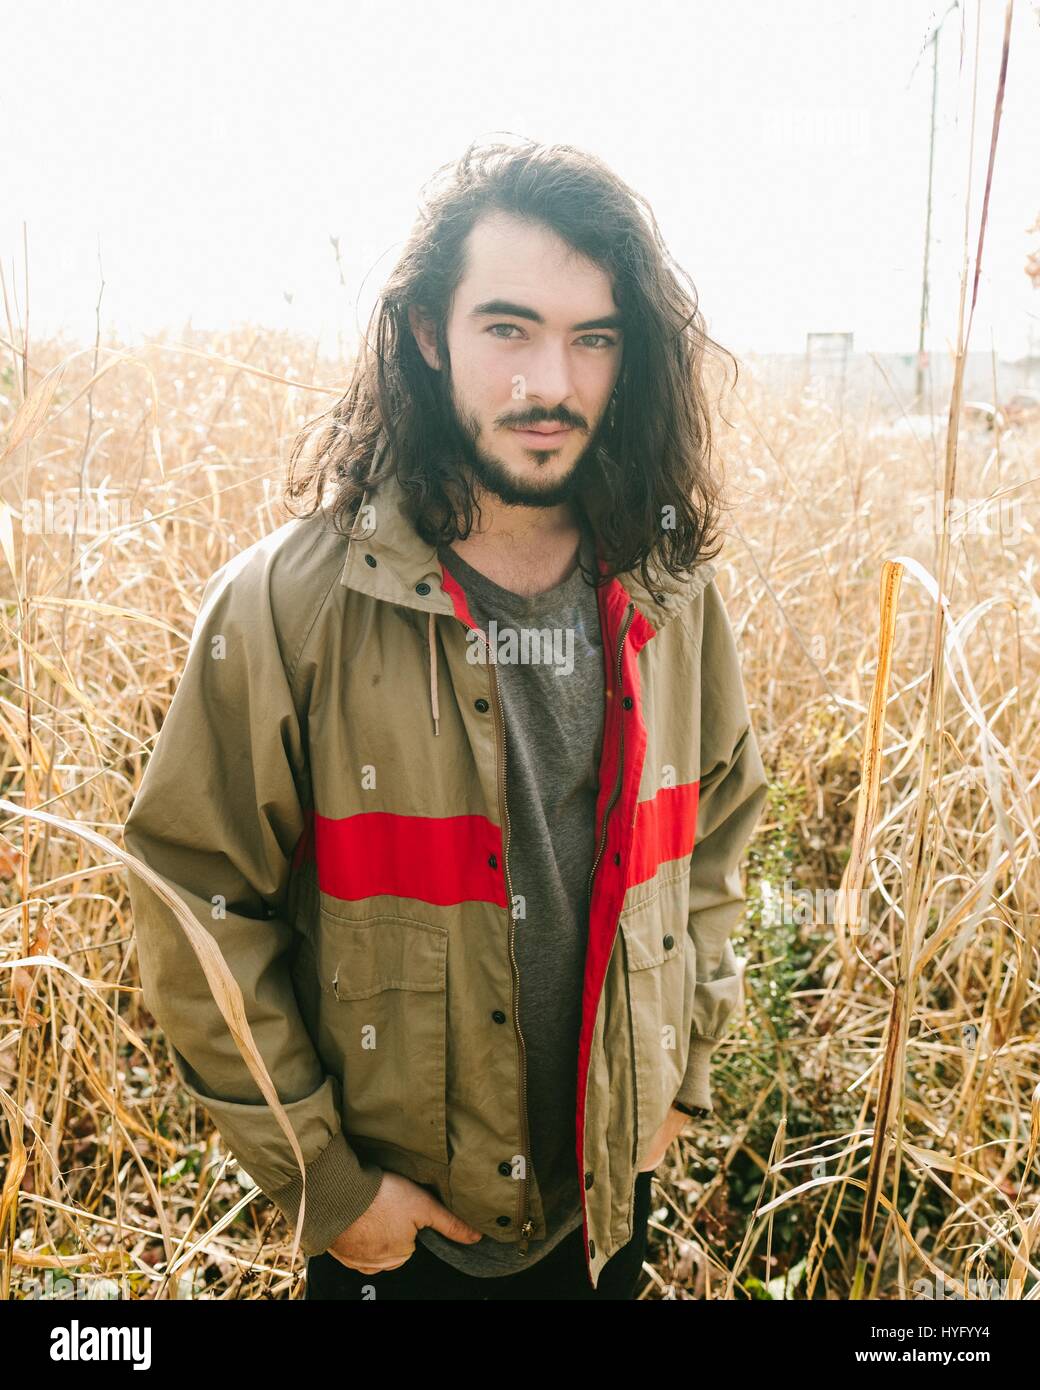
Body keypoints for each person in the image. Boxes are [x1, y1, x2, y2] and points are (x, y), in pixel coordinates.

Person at [123, 137, 769, 1301]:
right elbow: (195, 898)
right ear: (428, 335)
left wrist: (679, 1070)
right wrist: (323, 1178)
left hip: (605, 1207)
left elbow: (713, 831)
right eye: (508, 329)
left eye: (593, 338)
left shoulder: (670, 593)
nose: (551, 383)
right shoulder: (290, 604)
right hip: (401, 1237)